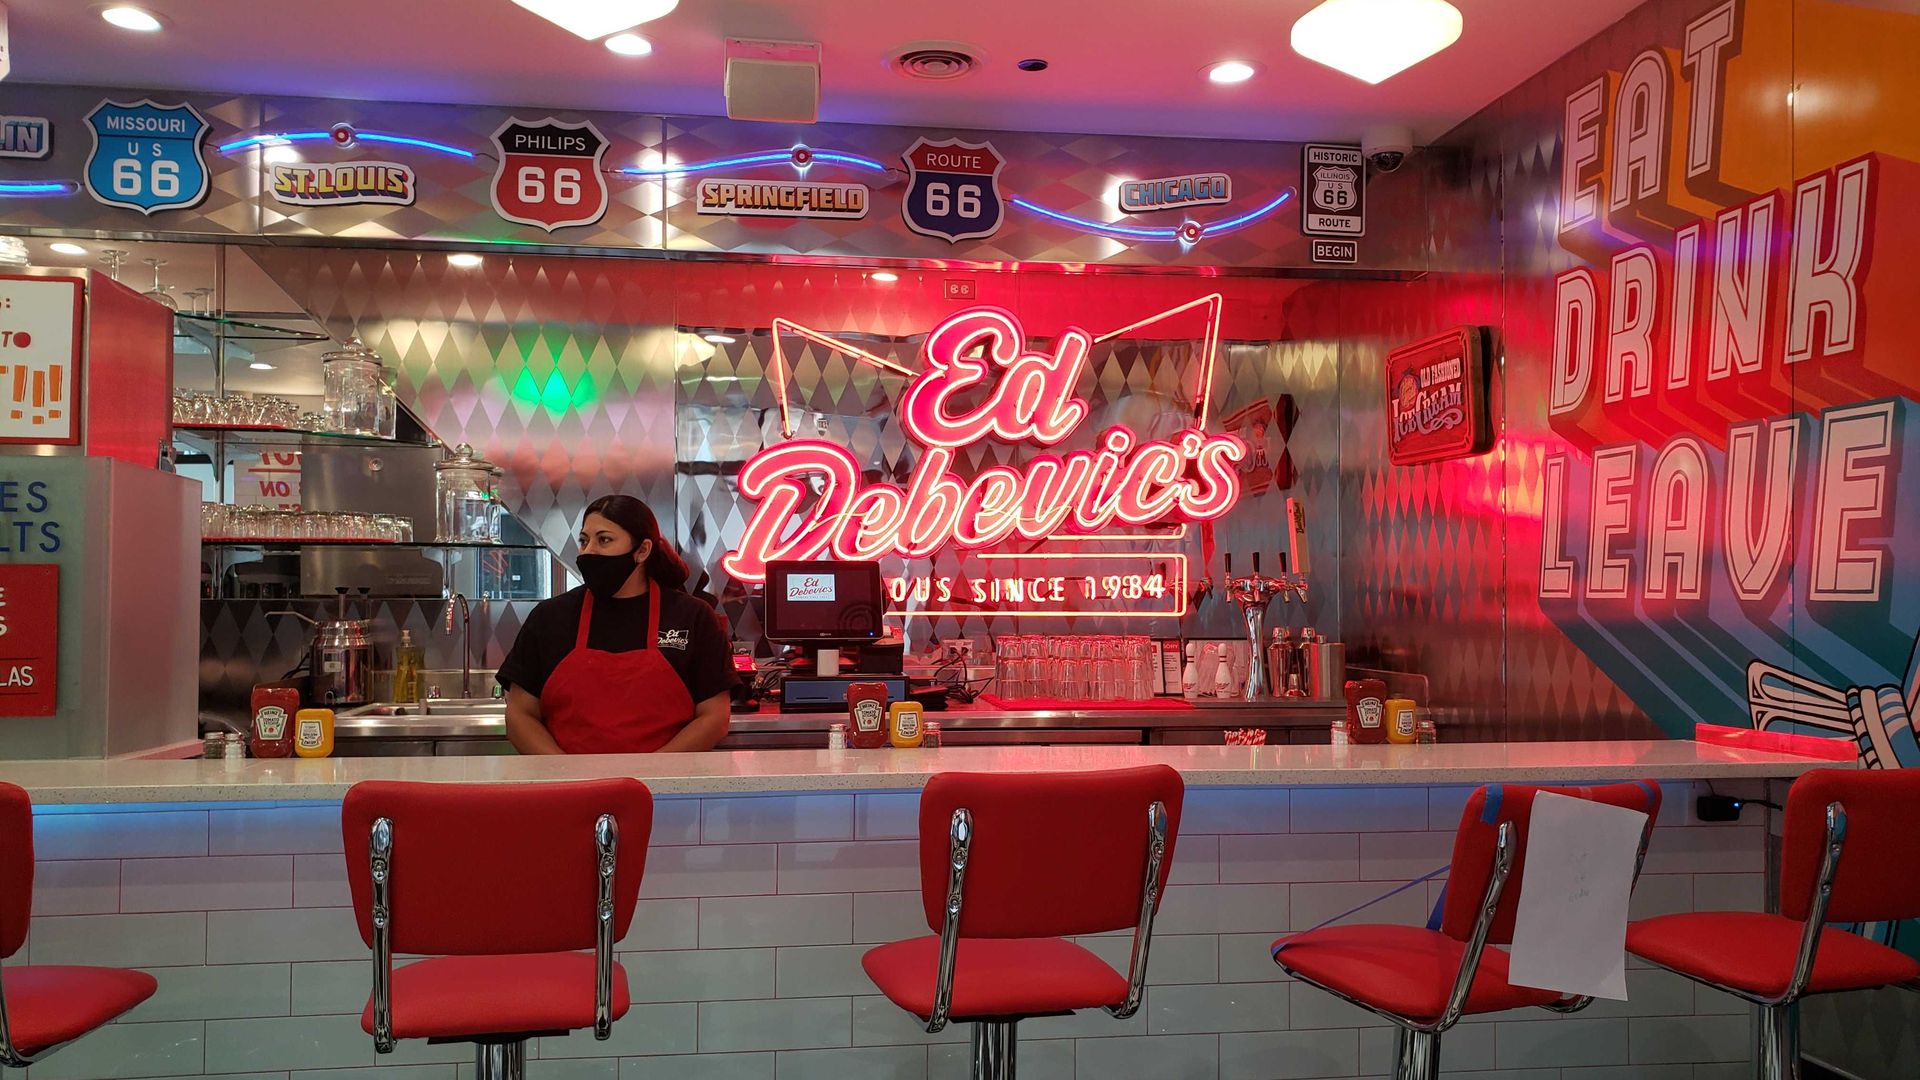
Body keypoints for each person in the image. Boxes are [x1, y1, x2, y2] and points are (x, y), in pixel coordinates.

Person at [497, 495, 735, 753]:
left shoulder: (692, 617)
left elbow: (715, 717)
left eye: (604, 540)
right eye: (584, 541)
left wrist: (654, 773)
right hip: (570, 788)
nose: (589, 552)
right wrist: (563, 773)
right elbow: (520, 715)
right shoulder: (549, 618)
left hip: (664, 788)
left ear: (642, 550)